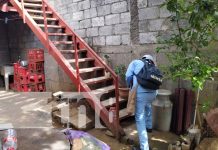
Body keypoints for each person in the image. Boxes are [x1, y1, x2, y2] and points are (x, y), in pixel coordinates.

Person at [126, 54, 157, 150]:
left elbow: (128, 76)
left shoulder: (136, 62)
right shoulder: (154, 67)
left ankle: (144, 147)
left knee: (139, 118)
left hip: (140, 93)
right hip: (153, 94)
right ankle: (149, 126)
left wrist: (130, 86)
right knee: (148, 105)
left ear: (143, 58)